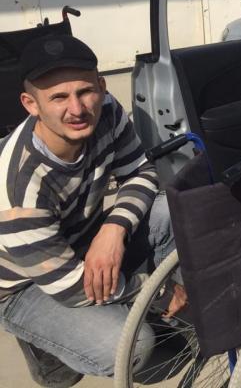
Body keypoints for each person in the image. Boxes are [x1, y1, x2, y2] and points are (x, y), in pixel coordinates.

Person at [0, 34, 180, 387]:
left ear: (101, 86)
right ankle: (44, 345)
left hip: (83, 239)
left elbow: (140, 171)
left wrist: (113, 229)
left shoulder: (107, 111)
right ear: (30, 104)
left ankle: (127, 307)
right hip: (26, 284)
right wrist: (159, 291)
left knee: (175, 209)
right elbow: (70, 288)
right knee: (132, 346)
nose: (77, 109)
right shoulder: (18, 189)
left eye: (85, 91)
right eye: (58, 97)